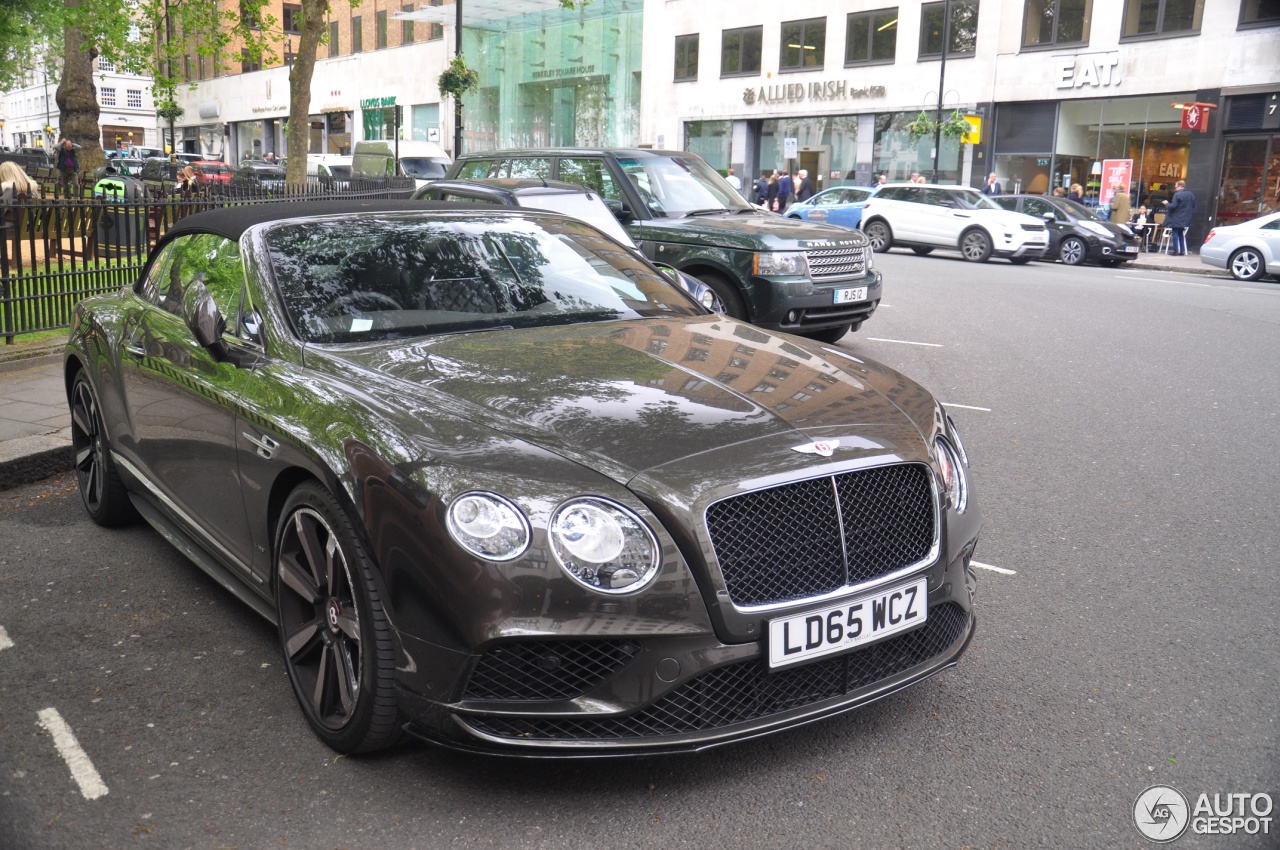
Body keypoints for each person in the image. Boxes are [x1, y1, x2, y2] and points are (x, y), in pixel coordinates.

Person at [1162, 179, 1195, 255]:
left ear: (1180, 186)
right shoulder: (1191, 194)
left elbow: (1173, 206)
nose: (1175, 188)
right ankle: (1182, 250)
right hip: (1186, 218)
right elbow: (1193, 206)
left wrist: (1166, 203)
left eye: (1176, 186)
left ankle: (1176, 251)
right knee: (1181, 234)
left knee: (1175, 234)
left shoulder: (1177, 194)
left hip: (1177, 217)